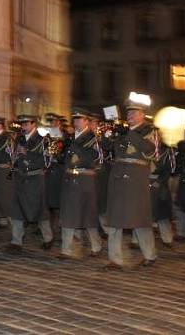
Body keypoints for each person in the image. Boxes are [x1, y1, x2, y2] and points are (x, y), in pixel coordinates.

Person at [101, 102, 157, 270]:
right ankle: (114, 259)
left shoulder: (149, 130)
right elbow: (107, 148)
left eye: (134, 113)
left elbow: (150, 150)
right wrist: (107, 134)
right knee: (115, 218)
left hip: (136, 177)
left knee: (139, 218)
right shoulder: (122, 130)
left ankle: (150, 254)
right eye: (129, 113)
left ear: (142, 115)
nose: (130, 116)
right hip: (118, 175)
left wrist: (130, 133)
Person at [58, 109, 103, 259]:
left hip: (85, 179)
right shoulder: (69, 137)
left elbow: (95, 157)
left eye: (79, 119)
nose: (76, 122)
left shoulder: (92, 138)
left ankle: (96, 246)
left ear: (86, 122)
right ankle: (66, 250)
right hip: (70, 178)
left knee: (88, 214)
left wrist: (74, 153)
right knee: (68, 213)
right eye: (75, 119)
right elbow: (64, 157)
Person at [6, 114, 54, 253]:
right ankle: (16, 241)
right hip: (20, 178)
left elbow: (47, 161)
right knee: (17, 210)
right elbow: (14, 157)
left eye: (26, 124)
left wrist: (27, 154)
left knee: (39, 210)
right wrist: (12, 153)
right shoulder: (19, 139)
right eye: (22, 124)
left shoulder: (43, 140)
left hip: (34, 179)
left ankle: (48, 237)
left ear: (34, 124)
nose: (23, 127)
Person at [44, 113, 66, 237]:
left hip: (59, 171)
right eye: (50, 122)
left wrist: (57, 156)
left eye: (54, 121)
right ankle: (48, 227)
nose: (52, 124)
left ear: (59, 123)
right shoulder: (47, 137)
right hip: (48, 170)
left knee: (58, 202)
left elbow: (66, 154)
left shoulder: (65, 137)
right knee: (48, 201)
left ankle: (59, 226)